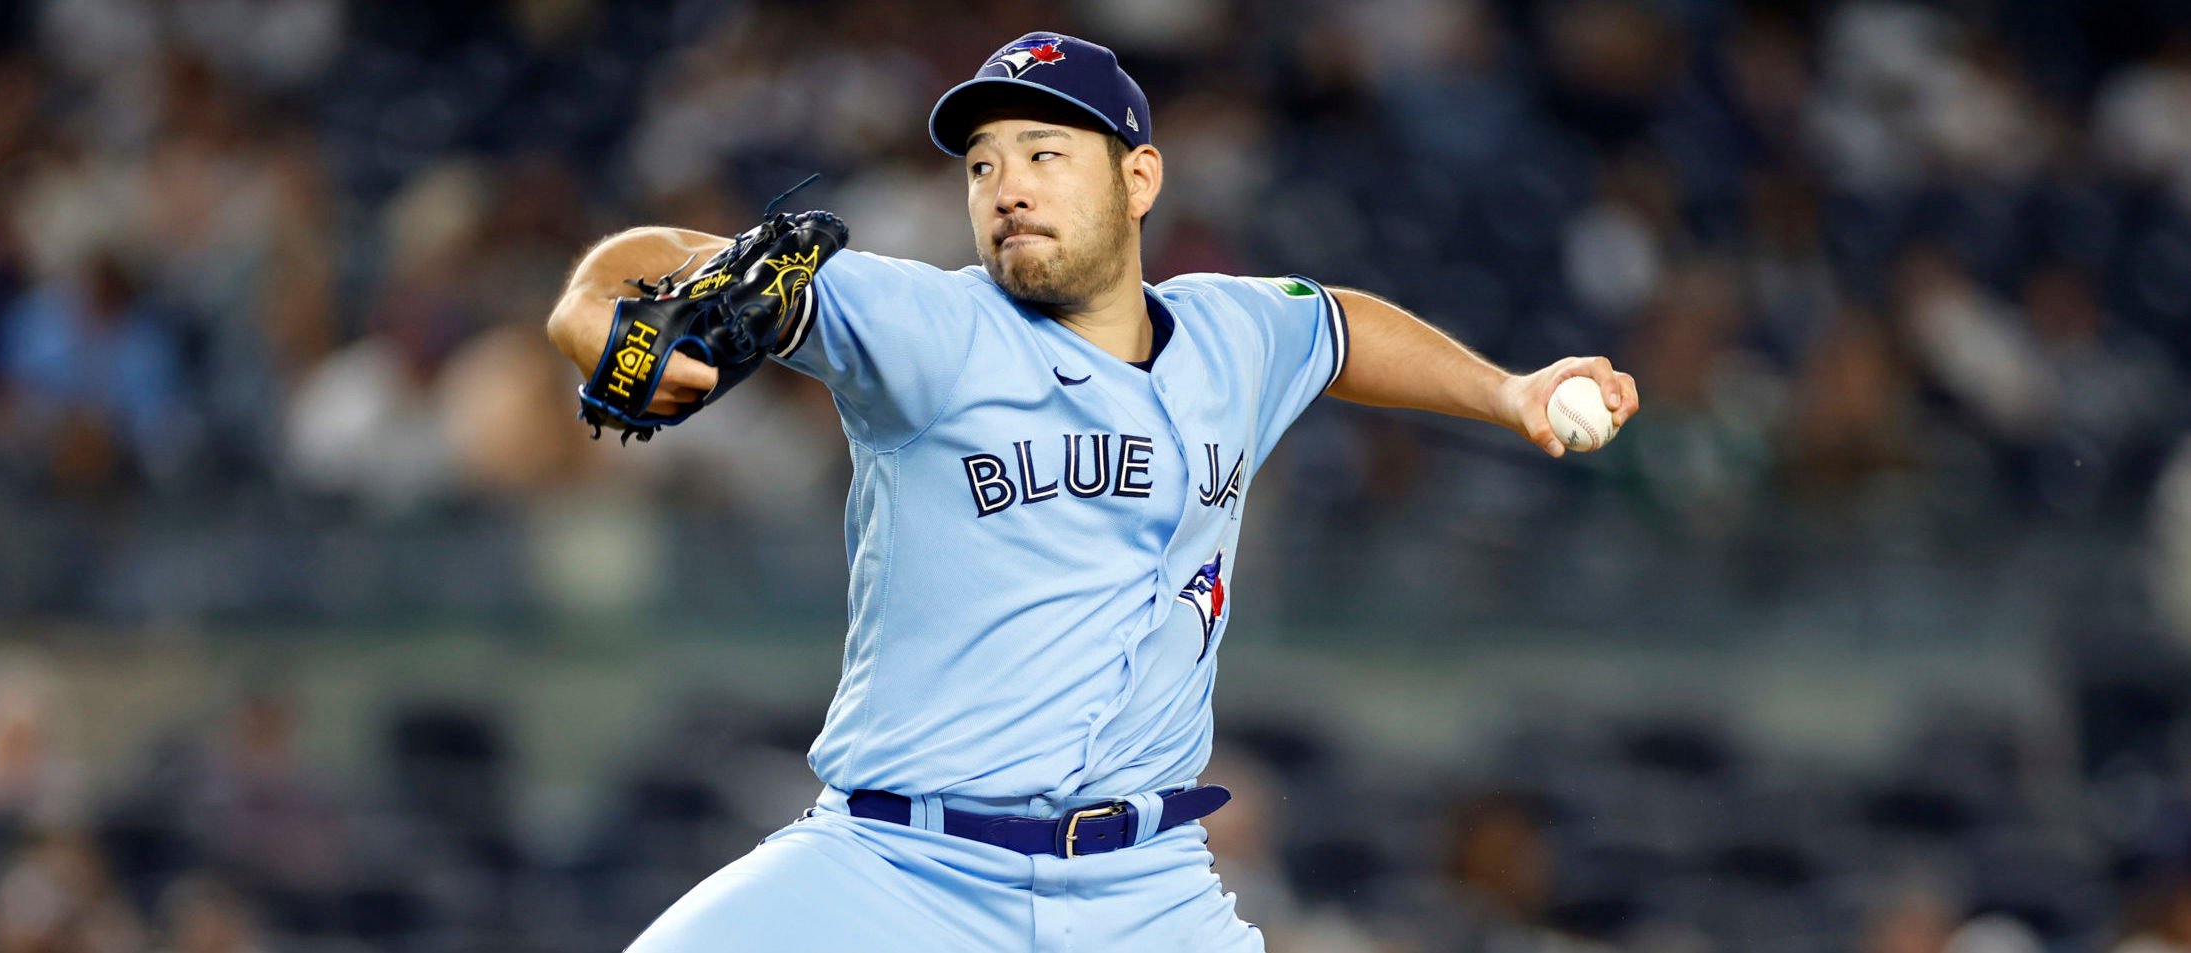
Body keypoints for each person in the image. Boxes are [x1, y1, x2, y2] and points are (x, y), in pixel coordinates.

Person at [545, 31, 1639, 952]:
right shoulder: (929, 328)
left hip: (1145, 892)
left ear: (1139, 178)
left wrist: (1508, 391)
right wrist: (590, 309)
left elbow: (1341, 326)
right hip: (895, 871)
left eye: (1044, 151)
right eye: (980, 164)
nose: (1006, 185)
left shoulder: (1233, 332)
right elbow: (675, 256)